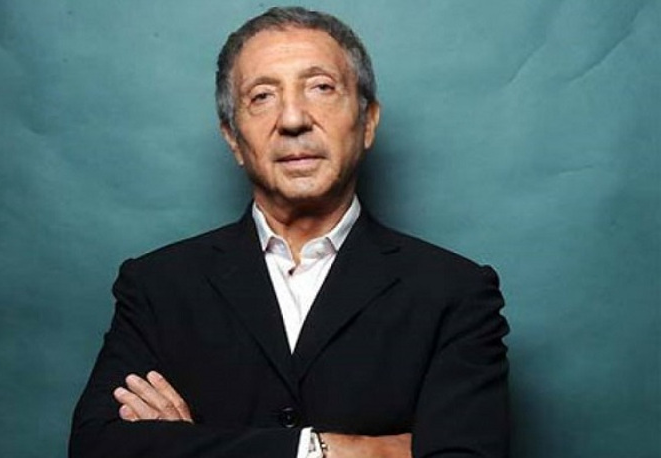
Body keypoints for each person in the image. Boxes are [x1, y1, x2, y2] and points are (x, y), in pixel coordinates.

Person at [69, 6, 509, 458]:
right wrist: (324, 450)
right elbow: (98, 448)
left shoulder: (455, 293)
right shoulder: (157, 286)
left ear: (368, 122)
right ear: (233, 138)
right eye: (262, 96)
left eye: (321, 87)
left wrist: (184, 446)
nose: (293, 119)